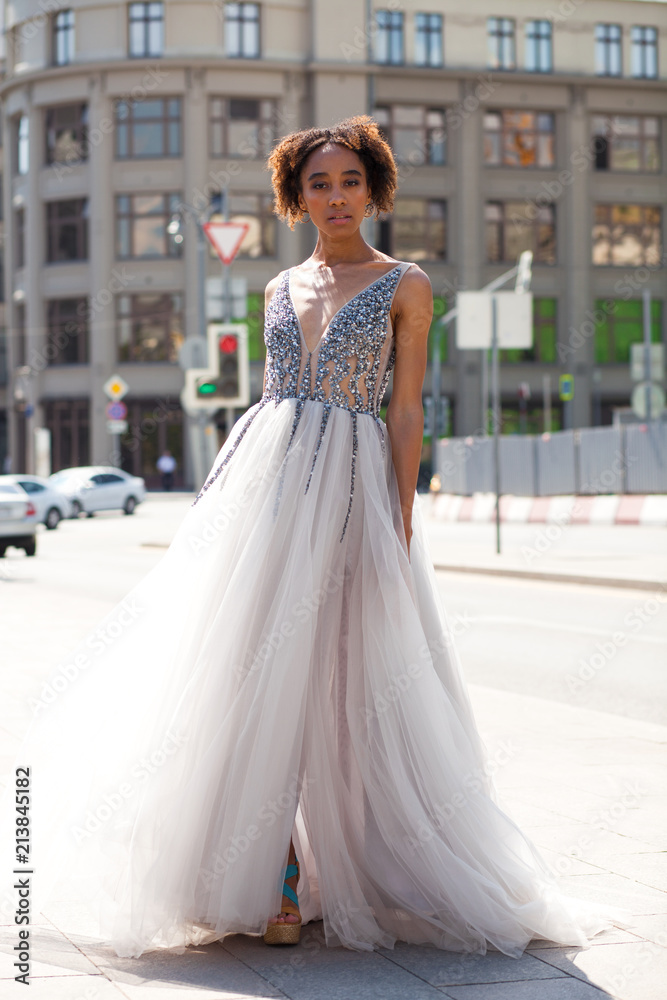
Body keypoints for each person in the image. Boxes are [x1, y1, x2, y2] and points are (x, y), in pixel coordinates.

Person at [0, 116, 630, 959]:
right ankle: (277, 875)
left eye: (348, 181)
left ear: (373, 190)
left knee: (346, 679)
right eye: (317, 184)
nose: (334, 197)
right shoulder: (274, 288)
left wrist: (398, 521)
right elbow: (269, 404)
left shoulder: (405, 284)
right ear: (294, 199)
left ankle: (364, 865)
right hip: (264, 493)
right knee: (250, 679)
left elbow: (403, 411)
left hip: (352, 488)